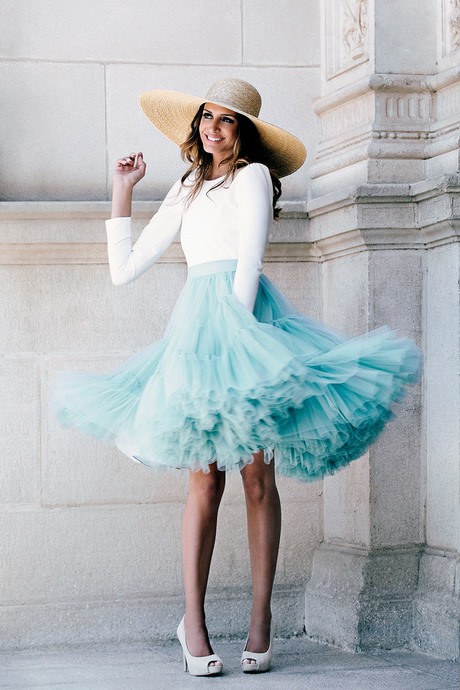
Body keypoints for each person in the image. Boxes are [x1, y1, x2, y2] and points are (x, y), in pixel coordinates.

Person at [53, 78, 421, 677]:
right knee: (204, 482)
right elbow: (125, 269)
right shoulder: (187, 185)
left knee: (256, 477)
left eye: (226, 121)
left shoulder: (251, 176)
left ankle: (260, 618)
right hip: (197, 335)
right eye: (206, 118)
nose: (213, 129)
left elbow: (249, 260)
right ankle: (191, 623)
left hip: (246, 319)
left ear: (244, 131)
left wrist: (242, 344)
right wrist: (122, 191)